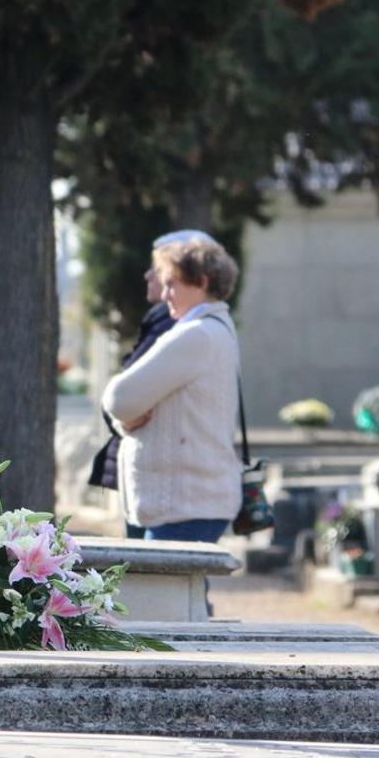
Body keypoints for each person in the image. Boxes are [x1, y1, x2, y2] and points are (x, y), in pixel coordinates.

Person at [100, 231, 241, 543]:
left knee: (171, 593)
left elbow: (118, 399)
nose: (164, 295)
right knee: (181, 592)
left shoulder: (196, 334)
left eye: (171, 284)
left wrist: (125, 419)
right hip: (187, 503)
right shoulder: (211, 329)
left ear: (202, 281)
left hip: (182, 506)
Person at [89, 259, 174, 538]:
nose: (147, 274)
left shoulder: (169, 325)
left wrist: (120, 419)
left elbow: (129, 396)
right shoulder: (159, 320)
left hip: (157, 473)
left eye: (158, 269)